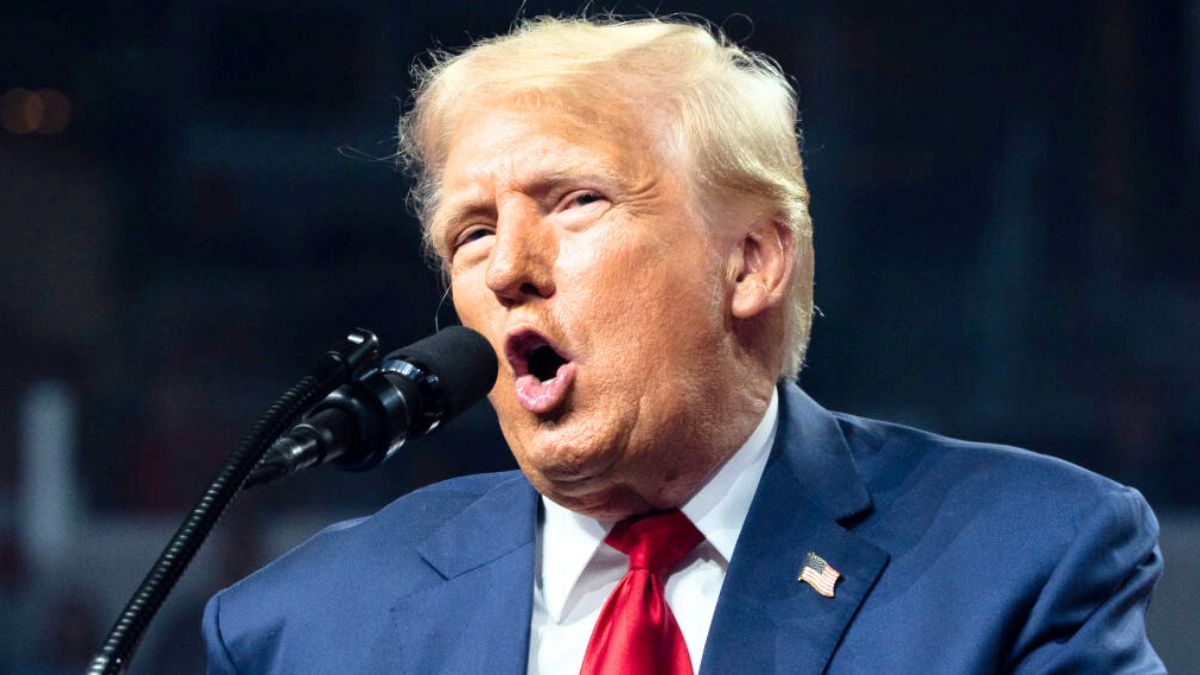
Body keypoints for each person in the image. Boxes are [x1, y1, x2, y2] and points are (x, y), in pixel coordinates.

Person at [203, 16, 1165, 674]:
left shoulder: (1025, 564)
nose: (507, 269)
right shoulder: (301, 628)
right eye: (472, 233)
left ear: (749, 261)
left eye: (576, 200)